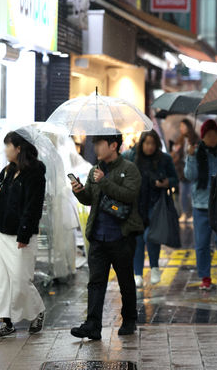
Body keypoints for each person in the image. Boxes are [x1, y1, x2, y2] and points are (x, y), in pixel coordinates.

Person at [70, 134, 144, 340]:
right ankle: (92, 325)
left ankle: (129, 319)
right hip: (98, 236)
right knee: (95, 282)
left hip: (121, 235)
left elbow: (129, 195)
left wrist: (104, 182)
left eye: (99, 144)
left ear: (113, 145)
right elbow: (89, 199)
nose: (96, 149)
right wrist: (79, 191)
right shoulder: (95, 170)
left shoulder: (129, 169)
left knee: (125, 281)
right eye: (94, 144)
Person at [0, 131, 47, 338]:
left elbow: (33, 206)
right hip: (3, 232)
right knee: (3, 281)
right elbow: (1, 202)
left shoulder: (35, 172)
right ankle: (6, 323)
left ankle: (38, 311)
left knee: (21, 280)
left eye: (8, 145)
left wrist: (24, 233)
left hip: (22, 236)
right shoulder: (6, 172)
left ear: (18, 148)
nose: (5, 150)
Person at [185, 119, 217, 289]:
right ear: (202, 137)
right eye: (208, 135)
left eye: (214, 134)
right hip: (201, 204)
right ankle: (205, 276)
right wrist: (191, 156)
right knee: (202, 243)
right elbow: (189, 175)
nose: (212, 138)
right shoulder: (196, 152)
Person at [123, 130, 178, 287]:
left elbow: (175, 179)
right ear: (142, 143)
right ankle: (138, 273)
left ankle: (154, 267)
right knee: (138, 239)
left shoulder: (164, 159)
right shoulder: (130, 157)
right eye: (147, 143)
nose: (150, 147)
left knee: (151, 236)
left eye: (153, 143)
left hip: (157, 204)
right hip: (136, 205)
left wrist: (166, 183)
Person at [172, 118, 198, 220]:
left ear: (188, 126)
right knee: (183, 192)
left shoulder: (195, 139)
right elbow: (175, 153)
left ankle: (192, 213)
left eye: (183, 126)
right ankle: (185, 212)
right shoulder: (180, 140)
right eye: (180, 126)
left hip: (193, 168)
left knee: (192, 192)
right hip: (182, 169)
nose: (181, 128)